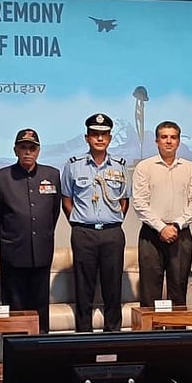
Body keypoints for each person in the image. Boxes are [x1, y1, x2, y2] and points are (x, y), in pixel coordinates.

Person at [61, 113, 130, 332]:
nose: (99, 138)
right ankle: (84, 336)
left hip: (112, 233)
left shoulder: (120, 166)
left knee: (113, 288)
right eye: (95, 134)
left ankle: (113, 335)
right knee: (84, 288)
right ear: (87, 137)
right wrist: (81, 223)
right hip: (84, 233)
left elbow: (124, 201)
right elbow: (66, 200)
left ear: (110, 138)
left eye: (103, 134)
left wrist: (110, 221)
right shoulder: (74, 165)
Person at [0, 128, 61, 333]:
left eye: (32, 148)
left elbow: (53, 212)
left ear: (38, 150)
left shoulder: (52, 174)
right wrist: (8, 239)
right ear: (15, 150)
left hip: (41, 251)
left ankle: (42, 353)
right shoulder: (1, 177)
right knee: (15, 308)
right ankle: (15, 354)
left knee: (40, 308)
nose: (28, 152)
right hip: (13, 253)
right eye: (23, 148)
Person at [132, 121, 192, 308]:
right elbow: (139, 203)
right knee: (149, 292)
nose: (169, 141)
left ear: (179, 141)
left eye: (173, 137)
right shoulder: (144, 167)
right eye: (164, 137)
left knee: (178, 291)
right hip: (151, 234)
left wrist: (177, 225)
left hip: (180, 234)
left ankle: (176, 336)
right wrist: (161, 227)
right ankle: (150, 337)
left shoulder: (190, 168)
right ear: (157, 141)